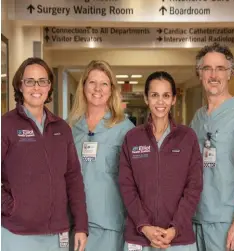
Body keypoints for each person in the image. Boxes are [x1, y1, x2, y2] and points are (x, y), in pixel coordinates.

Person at [1, 57, 88, 251]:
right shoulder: (6, 125)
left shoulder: (61, 128)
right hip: (17, 233)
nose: (36, 87)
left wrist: (81, 226)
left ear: (49, 86)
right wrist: (10, 206)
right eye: (29, 81)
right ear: (20, 86)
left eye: (42, 81)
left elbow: (73, 178)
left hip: (57, 234)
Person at [119, 71, 203, 251]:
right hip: (140, 237)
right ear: (146, 98)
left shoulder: (188, 137)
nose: (160, 102)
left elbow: (194, 187)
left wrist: (175, 228)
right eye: (154, 95)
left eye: (166, 95)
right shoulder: (132, 138)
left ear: (173, 99)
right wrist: (145, 227)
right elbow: (127, 188)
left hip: (179, 238)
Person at [190, 43, 234, 251]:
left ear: (230, 74)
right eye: (207, 68)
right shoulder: (198, 118)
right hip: (197, 217)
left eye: (220, 68)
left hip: (227, 219)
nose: (213, 74)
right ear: (199, 74)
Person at [68, 60, 135, 251]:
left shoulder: (125, 129)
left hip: (110, 223)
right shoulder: (71, 128)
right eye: (92, 82)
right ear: (83, 86)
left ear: (111, 89)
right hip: (76, 222)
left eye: (104, 83)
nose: (97, 89)